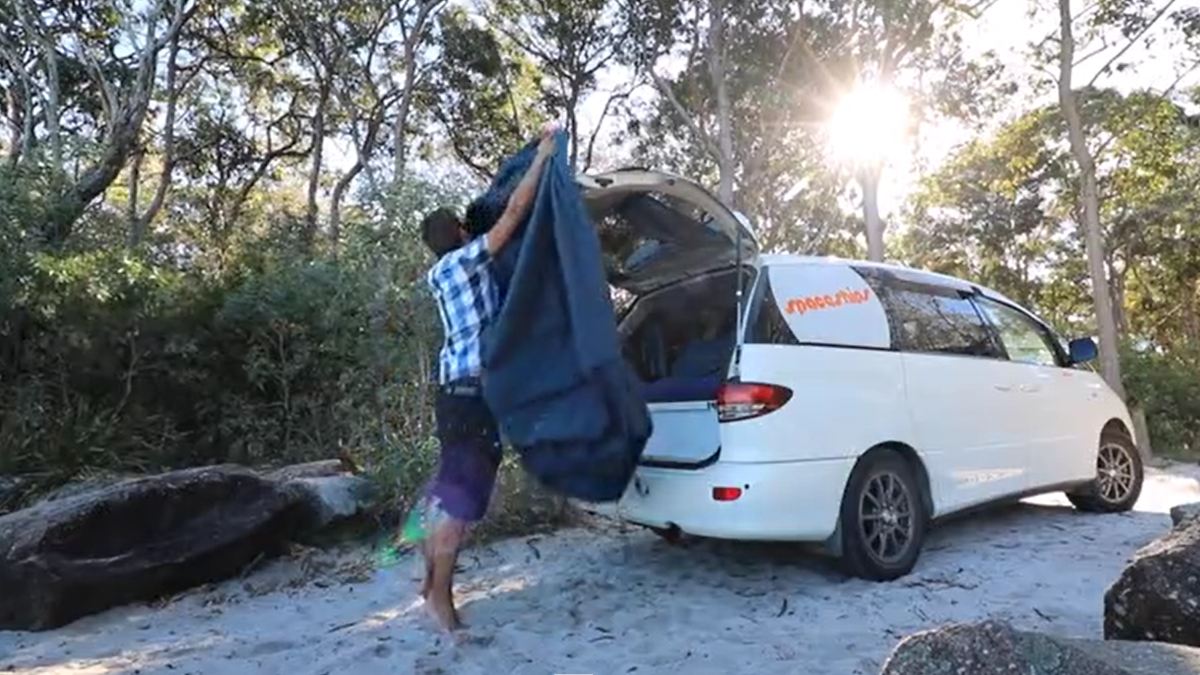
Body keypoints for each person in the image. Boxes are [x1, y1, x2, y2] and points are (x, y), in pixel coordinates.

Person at [411, 123, 558, 632]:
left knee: (449, 490)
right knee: (461, 501)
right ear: (458, 235)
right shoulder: (469, 260)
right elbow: (515, 212)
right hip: (472, 395)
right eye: (464, 227)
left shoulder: (438, 273)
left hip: (456, 393)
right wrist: (541, 157)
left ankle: (430, 585)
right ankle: (442, 603)